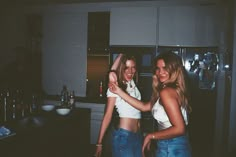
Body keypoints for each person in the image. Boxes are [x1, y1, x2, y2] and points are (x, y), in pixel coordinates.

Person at [109, 52, 192, 157]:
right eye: (158, 68)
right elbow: (144, 107)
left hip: (171, 146)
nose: (160, 72)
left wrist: (150, 136)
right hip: (177, 143)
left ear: (174, 69)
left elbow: (180, 128)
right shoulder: (173, 89)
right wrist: (119, 91)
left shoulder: (166, 92)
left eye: (165, 68)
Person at [95, 53, 143, 157]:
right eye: (127, 68)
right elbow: (107, 115)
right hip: (124, 137)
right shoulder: (115, 87)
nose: (130, 71)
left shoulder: (132, 83)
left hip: (138, 135)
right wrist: (99, 143)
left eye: (133, 67)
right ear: (121, 68)